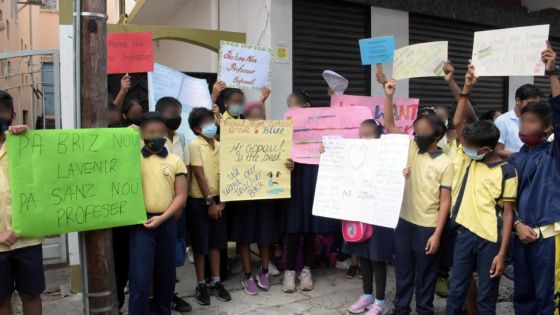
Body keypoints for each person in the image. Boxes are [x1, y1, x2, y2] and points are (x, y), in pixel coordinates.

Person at [445, 63, 517, 315]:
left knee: (487, 299)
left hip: (490, 241)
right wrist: (463, 89)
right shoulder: (466, 158)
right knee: (456, 292)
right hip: (464, 235)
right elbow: (458, 121)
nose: (462, 147)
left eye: (468, 146)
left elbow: (508, 213)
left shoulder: (506, 171)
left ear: (486, 150)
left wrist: (502, 252)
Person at [382, 79, 453, 315]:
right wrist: (389, 95)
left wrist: (437, 234)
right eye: (416, 130)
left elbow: (445, 201)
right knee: (403, 269)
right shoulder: (412, 147)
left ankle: (424, 309)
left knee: (426, 274)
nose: (417, 134)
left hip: (427, 227)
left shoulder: (446, 162)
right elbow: (389, 124)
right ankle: (401, 308)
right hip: (404, 221)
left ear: (437, 134)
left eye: (423, 132)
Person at [507, 42, 560, 315]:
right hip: (521, 238)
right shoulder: (515, 159)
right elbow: (504, 201)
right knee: (523, 297)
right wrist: (516, 225)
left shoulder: (555, 153)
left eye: (532, 122)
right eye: (523, 121)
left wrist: (552, 73)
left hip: (550, 242)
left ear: (548, 127)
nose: (525, 126)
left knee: (548, 299)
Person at [228, 102, 292, 295]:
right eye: (253, 117)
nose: (257, 120)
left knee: (265, 236)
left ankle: (264, 271)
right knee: (245, 237)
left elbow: (283, 160)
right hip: (243, 195)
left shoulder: (274, 136)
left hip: (266, 197)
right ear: (245, 119)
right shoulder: (234, 136)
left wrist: (289, 165)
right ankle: (247, 276)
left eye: (260, 117)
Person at [127, 112, 188, 315]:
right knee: (140, 278)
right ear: (142, 134)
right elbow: (110, 156)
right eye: (151, 132)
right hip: (140, 223)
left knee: (166, 275)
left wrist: (163, 217)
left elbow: (181, 196)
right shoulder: (131, 158)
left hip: (167, 222)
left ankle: (163, 311)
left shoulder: (175, 160)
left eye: (161, 132)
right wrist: (126, 135)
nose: (156, 136)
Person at [282, 91, 339, 293]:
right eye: (288, 106)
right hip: (295, 179)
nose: (290, 110)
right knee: (294, 228)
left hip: (315, 176)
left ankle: (306, 270)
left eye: (294, 106)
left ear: (306, 107)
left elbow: (338, 142)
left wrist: (327, 150)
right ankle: (289, 272)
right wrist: (285, 162)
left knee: (311, 228)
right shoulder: (285, 129)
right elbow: (276, 153)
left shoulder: (323, 126)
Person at [340, 119, 395, 315]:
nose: (362, 138)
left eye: (367, 134)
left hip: (379, 215)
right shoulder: (354, 154)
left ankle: (380, 302)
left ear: (379, 136)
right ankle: (367, 295)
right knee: (363, 254)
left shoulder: (388, 156)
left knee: (377, 258)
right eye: (360, 134)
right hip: (359, 211)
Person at [0, 91, 44, 315]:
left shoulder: (24, 144)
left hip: (28, 240)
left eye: (3, 115)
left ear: (12, 115)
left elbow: (44, 174)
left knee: (31, 294)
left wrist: (27, 138)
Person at [187, 108, 231, 306]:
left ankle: (216, 281)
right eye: (206, 123)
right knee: (200, 245)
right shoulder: (194, 145)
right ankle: (201, 284)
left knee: (216, 244)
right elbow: (199, 175)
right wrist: (210, 203)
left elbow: (227, 173)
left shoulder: (221, 145)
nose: (211, 125)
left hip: (219, 199)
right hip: (200, 202)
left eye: (211, 121)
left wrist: (222, 202)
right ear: (197, 128)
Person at [154, 96, 192, 313]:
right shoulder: (150, 139)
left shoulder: (182, 139)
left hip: (179, 208)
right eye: (172, 114)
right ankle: (157, 297)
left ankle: (169, 295)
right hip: (158, 208)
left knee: (173, 254)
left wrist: (182, 202)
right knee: (156, 257)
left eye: (178, 114)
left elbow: (185, 171)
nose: (176, 118)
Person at [494, 84, 541, 158]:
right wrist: (523, 157)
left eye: (537, 103)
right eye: (531, 103)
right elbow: (498, 151)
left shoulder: (538, 120)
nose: (534, 107)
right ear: (518, 100)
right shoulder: (502, 121)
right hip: (512, 167)